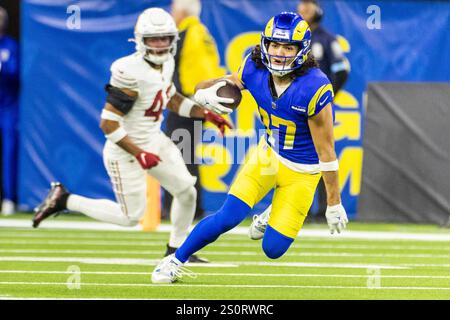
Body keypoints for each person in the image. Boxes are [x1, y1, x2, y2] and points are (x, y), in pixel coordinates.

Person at [151, 12, 348, 283]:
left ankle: (270, 214)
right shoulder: (254, 67)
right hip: (268, 156)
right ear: (265, 44)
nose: (279, 53)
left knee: (273, 249)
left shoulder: (314, 87)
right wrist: (203, 93)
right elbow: (211, 84)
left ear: (301, 50)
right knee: (227, 218)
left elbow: (326, 151)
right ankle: (173, 260)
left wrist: (334, 201)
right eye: (274, 45)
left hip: (303, 171)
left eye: (288, 46)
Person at [32, 8, 232, 263]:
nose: (160, 45)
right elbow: (108, 124)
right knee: (130, 218)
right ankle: (65, 200)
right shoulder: (129, 71)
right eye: (153, 39)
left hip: (153, 140)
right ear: (140, 39)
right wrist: (140, 154)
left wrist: (204, 113)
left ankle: (177, 251)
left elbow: (169, 97)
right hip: (125, 148)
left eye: (164, 38)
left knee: (186, 191)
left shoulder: (167, 62)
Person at [163, 0, 226, 222]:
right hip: (194, 103)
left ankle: (184, 207)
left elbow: (199, 72)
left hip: (187, 104)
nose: (171, 13)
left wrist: (194, 101)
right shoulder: (200, 31)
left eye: (173, 8)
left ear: (181, 10)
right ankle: (189, 206)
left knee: (180, 157)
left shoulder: (189, 33)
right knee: (185, 156)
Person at [0, 7, 19, 215]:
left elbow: (16, 74)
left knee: (10, 152)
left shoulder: (10, 46)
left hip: (8, 106)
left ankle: (9, 198)